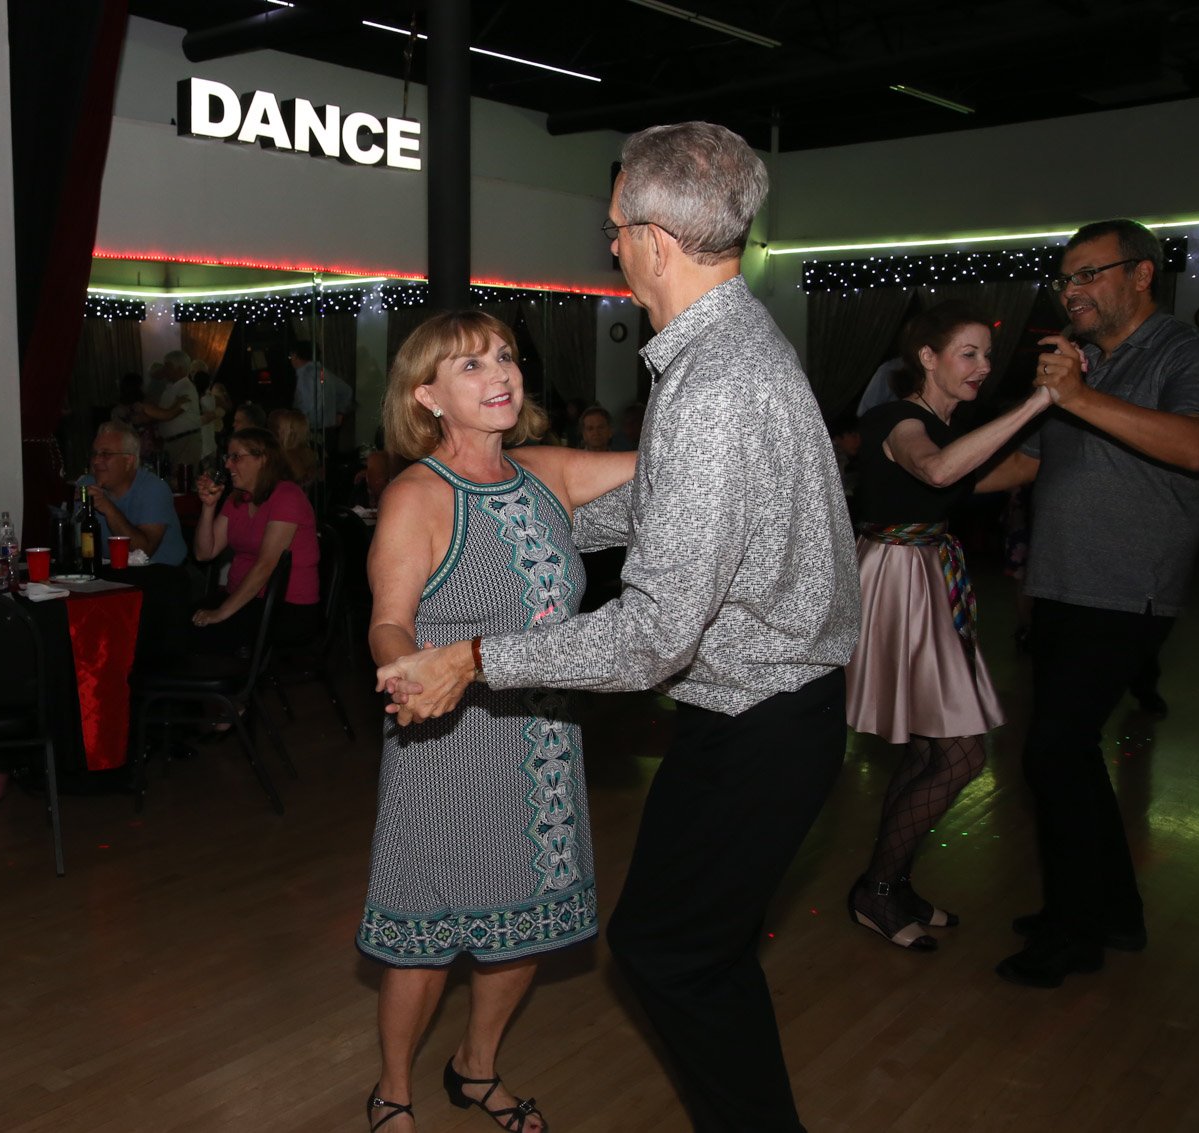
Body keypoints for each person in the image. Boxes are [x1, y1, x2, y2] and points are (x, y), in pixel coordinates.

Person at [378, 121, 859, 1132]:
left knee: (669, 952)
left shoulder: (713, 382)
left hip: (759, 716)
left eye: (613, 229)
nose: (609, 248)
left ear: (652, 238)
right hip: (766, 708)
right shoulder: (734, 347)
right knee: (687, 951)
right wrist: (518, 506)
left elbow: (649, 636)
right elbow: (672, 506)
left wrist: (477, 655)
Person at [357, 311, 635, 1133]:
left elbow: (671, 460)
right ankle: (393, 1090)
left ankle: (475, 1067)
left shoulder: (546, 471)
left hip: (544, 734)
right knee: (428, 933)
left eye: (505, 356)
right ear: (428, 396)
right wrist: (408, 672)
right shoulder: (416, 494)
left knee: (528, 916)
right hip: (447, 735)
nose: (500, 374)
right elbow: (388, 620)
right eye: (471, 365)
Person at [980, 218, 1199, 988]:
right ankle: (1113, 911)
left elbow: (1197, 446)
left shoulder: (1182, 351)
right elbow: (1025, 464)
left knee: (1053, 753)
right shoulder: (1083, 368)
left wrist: (1077, 396)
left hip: (1124, 590)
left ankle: (1074, 932)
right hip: (1060, 585)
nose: (1071, 290)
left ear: (1142, 273)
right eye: (1066, 277)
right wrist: (926, 477)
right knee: (1069, 753)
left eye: (1089, 274)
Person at [844, 301, 1052, 950]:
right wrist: (1038, 402)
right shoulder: (897, 419)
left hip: (927, 575)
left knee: (931, 750)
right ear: (927, 358)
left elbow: (1001, 470)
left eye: (988, 355)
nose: (983, 366)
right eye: (969, 353)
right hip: (897, 579)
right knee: (962, 753)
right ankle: (878, 888)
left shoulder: (943, 425)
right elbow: (936, 469)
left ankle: (890, 884)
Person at [190, 426, 320, 653]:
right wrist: (208, 507)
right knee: (175, 618)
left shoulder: (287, 496)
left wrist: (221, 612)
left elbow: (266, 565)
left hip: (286, 605)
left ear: (263, 459)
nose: (228, 465)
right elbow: (204, 553)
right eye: (228, 457)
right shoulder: (238, 498)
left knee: (197, 636)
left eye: (236, 457)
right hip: (244, 599)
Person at [75, 422, 188, 567]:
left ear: (128, 461)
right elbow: (76, 545)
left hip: (161, 573)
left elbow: (142, 552)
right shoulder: (87, 484)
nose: (96, 461)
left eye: (106, 454)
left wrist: (107, 507)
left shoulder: (153, 489)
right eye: (94, 454)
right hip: (109, 573)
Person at [137, 350, 202, 470]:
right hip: (174, 442)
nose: (164, 370)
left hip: (185, 441)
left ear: (179, 369)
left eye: (168, 366)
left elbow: (169, 415)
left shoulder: (186, 388)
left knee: (184, 477)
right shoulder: (171, 387)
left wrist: (147, 411)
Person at [291, 339, 354, 449]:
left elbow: (309, 405)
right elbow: (346, 390)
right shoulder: (323, 372)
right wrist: (339, 413)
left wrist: (301, 426)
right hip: (329, 429)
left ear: (295, 356)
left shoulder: (306, 375)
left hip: (313, 431)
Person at [269, 407, 321, 495]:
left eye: (280, 427)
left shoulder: (285, 458)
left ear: (291, 431)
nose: (278, 431)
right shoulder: (311, 454)